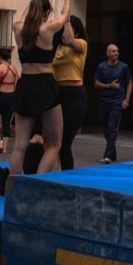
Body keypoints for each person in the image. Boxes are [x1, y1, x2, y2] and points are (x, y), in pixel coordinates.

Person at [10, 0, 71, 176]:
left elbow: (22, 19)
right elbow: (65, 15)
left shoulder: (17, 27)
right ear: (45, 13)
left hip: (25, 83)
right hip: (44, 84)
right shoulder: (47, 28)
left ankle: (12, 184)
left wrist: (31, 1)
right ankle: (37, 181)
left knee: (19, 145)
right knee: (55, 144)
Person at [52, 15, 89, 170]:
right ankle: (59, 172)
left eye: (68, 30)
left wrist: (66, 19)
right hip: (58, 93)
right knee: (56, 141)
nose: (64, 33)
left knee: (65, 142)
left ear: (77, 32)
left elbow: (69, 40)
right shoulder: (58, 48)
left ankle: (67, 174)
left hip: (75, 95)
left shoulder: (81, 44)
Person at [93, 43, 132, 164]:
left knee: (112, 128)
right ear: (107, 53)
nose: (116, 53)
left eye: (117, 51)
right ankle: (113, 154)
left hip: (117, 101)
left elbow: (130, 83)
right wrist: (109, 85)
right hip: (105, 101)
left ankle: (107, 156)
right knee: (105, 129)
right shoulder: (101, 67)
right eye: (113, 51)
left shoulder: (124, 67)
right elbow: (96, 84)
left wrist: (126, 100)